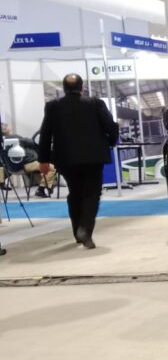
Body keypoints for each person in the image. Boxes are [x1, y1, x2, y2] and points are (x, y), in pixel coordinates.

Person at [37, 74, 119, 249]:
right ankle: (85, 230)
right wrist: (111, 142)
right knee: (92, 193)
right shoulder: (96, 104)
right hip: (93, 158)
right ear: (82, 88)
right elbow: (111, 127)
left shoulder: (53, 106)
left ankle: (77, 232)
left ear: (64, 89)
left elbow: (45, 133)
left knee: (75, 193)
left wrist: (43, 160)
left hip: (65, 159)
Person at [1, 123, 56, 197]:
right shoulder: (15, 137)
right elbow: (31, 142)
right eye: (10, 128)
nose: (11, 128)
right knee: (51, 168)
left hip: (10, 169)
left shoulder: (2, 142)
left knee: (41, 168)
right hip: (25, 165)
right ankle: (41, 190)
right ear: (6, 130)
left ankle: (48, 186)